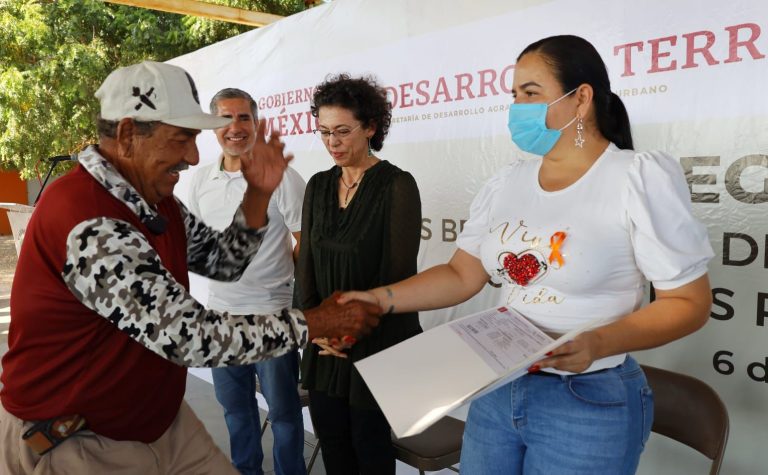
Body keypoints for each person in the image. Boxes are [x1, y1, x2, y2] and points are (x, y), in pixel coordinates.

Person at [340, 35, 714, 475]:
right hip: (499, 387)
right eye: (515, 95)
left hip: (587, 400)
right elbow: (463, 274)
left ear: (581, 100)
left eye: (531, 94)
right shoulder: (507, 182)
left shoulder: (636, 177)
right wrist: (379, 299)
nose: (517, 108)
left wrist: (597, 342)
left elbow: (689, 303)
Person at [0, 61, 380, 475]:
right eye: (181, 139)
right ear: (128, 135)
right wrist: (316, 322)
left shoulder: (150, 197)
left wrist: (257, 194)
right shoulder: (89, 219)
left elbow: (221, 260)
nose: (193, 156)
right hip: (80, 441)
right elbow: (188, 337)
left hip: (154, 422)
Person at [297, 74, 423, 474]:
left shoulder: (397, 186)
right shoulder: (317, 186)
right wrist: (317, 328)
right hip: (323, 346)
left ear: (370, 127)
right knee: (333, 447)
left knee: (370, 451)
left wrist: (348, 333)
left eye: (342, 131)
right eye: (324, 132)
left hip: (375, 344)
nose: (332, 142)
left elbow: (398, 277)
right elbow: (307, 268)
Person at [188, 88, 307, 475]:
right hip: (220, 320)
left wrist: (280, 288)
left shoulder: (284, 177)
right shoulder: (201, 180)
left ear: (256, 124)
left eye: (243, 118)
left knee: (286, 415)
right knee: (237, 413)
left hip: (272, 318)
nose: (234, 128)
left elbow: (304, 243)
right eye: (225, 119)